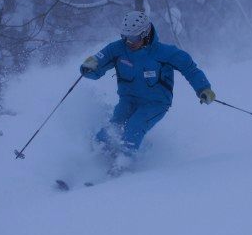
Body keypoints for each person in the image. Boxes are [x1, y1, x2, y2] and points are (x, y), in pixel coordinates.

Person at [79, 10, 216, 175]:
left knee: (133, 127)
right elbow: (98, 61)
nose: (129, 42)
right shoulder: (117, 49)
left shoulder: (165, 53)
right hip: (128, 100)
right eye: (125, 36)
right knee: (112, 128)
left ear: (145, 34)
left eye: (134, 38)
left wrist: (203, 89)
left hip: (155, 103)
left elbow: (190, 69)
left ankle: (122, 168)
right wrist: (88, 67)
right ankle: (93, 165)